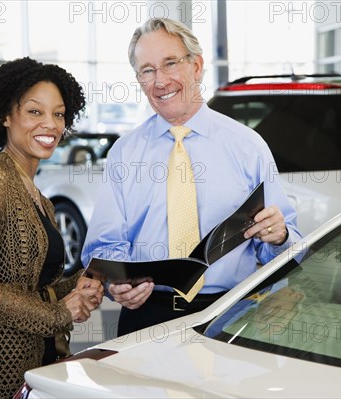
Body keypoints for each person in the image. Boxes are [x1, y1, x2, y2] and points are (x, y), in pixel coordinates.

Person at [81, 18, 302, 336]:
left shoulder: (247, 146)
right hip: (145, 318)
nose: (160, 81)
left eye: (170, 63)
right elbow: (103, 245)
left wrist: (279, 236)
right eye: (147, 70)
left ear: (196, 66)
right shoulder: (124, 154)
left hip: (229, 314)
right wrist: (119, 281)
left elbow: (288, 247)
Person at [0, 57, 104, 399]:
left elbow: (34, 287)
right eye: (35, 111)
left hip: (43, 362)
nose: (50, 124)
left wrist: (86, 281)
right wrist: (56, 315)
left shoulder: (39, 197)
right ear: (5, 115)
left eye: (58, 114)